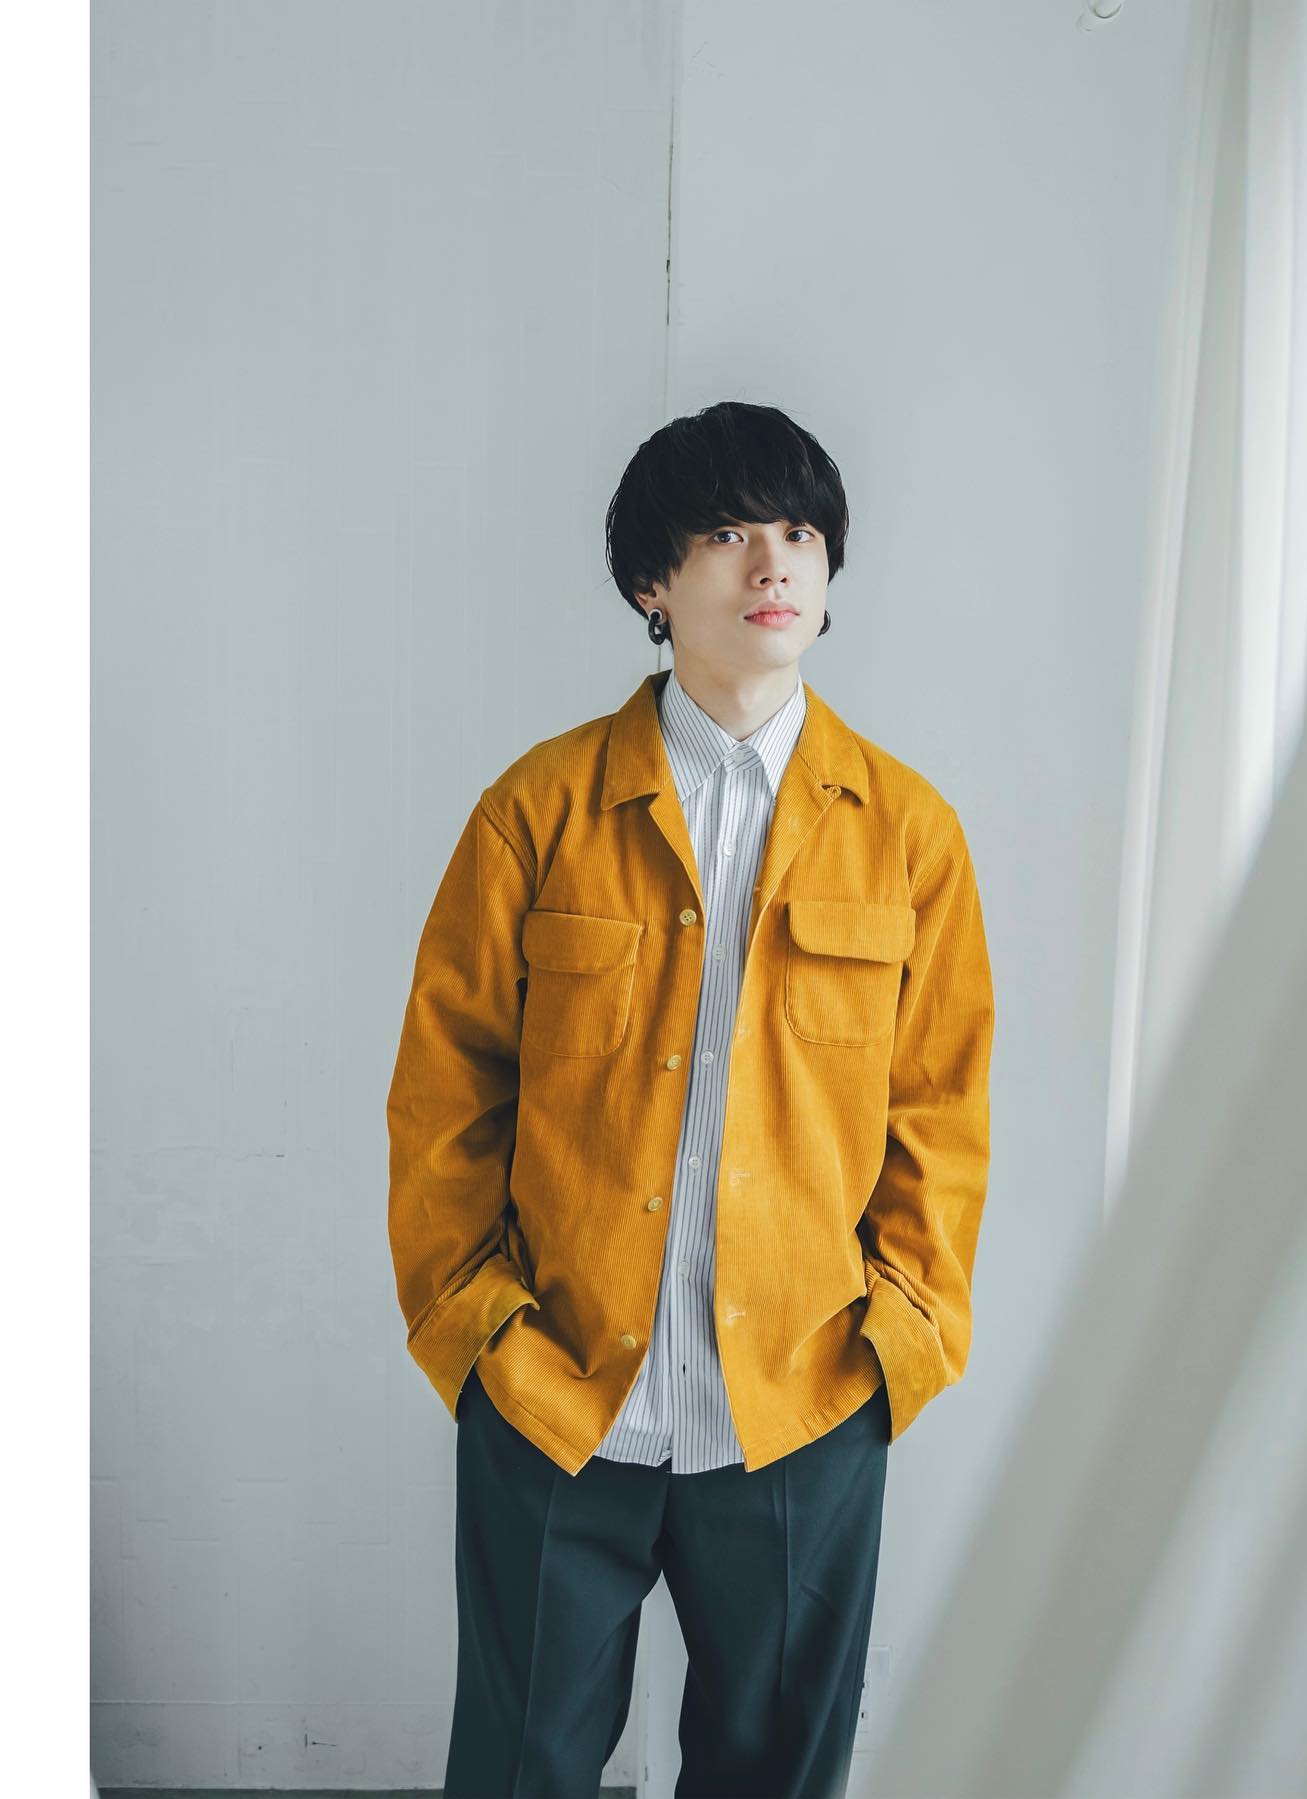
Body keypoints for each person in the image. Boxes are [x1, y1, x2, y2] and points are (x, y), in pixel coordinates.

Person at [386, 399, 996, 1798]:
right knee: (520, 1770)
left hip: (803, 1406)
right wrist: (479, 1333)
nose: (773, 563)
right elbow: (445, 1092)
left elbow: (941, 1115)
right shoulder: (537, 812)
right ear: (651, 584)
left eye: (799, 533)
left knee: (773, 1775)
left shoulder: (908, 834)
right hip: (557, 1396)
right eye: (725, 534)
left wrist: (898, 1346)